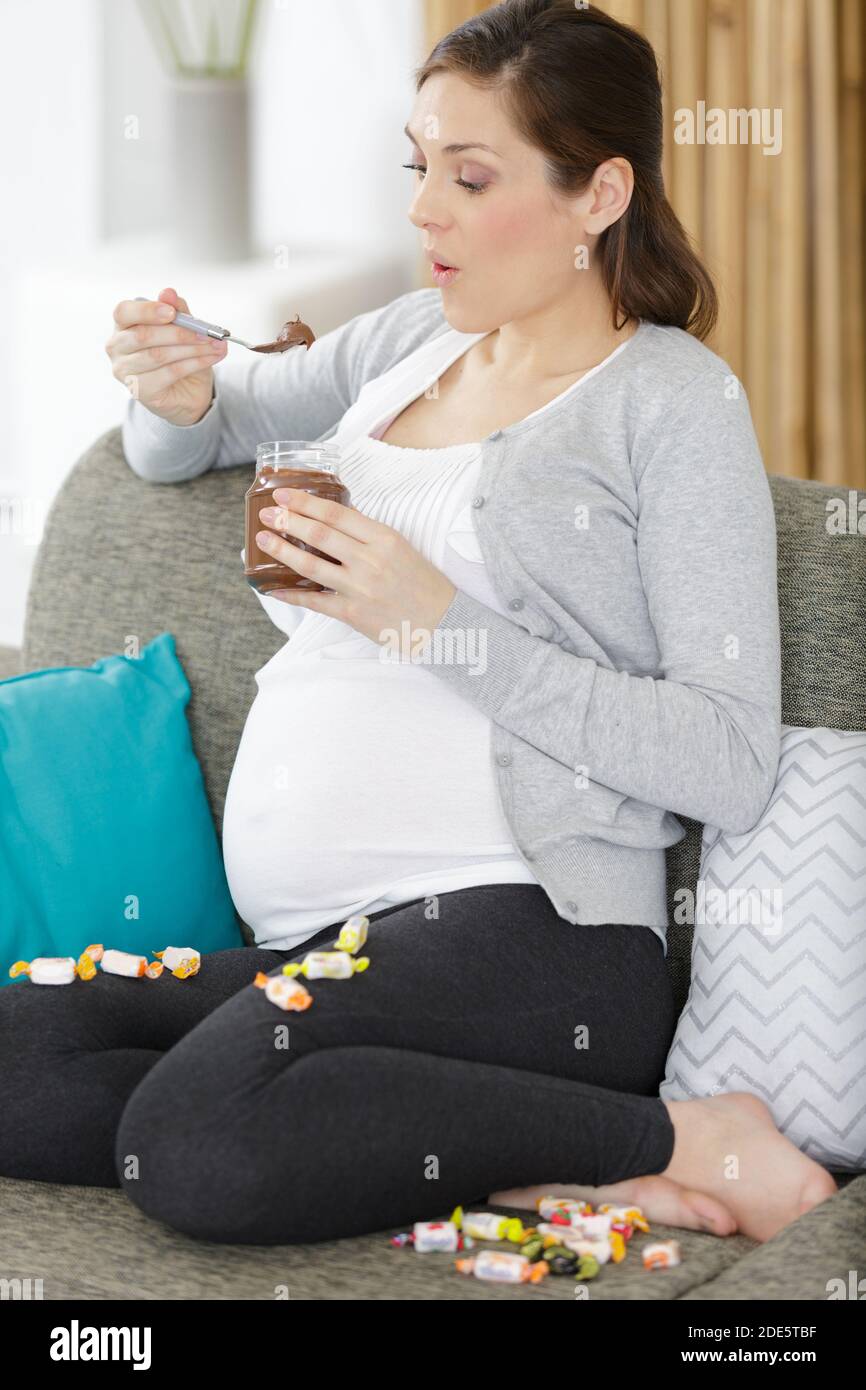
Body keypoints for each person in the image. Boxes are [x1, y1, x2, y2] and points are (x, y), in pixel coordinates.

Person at [0, 0, 836, 1247]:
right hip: (332, 950)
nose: (421, 209)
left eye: (469, 173)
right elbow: (194, 434)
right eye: (417, 165)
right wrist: (171, 389)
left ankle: (679, 1136)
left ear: (599, 194)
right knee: (20, 1046)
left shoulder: (672, 404)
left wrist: (433, 620)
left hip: (530, 938)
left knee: (191, 1141)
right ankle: (448, 1135)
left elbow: (724, 758)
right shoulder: (405, 339)